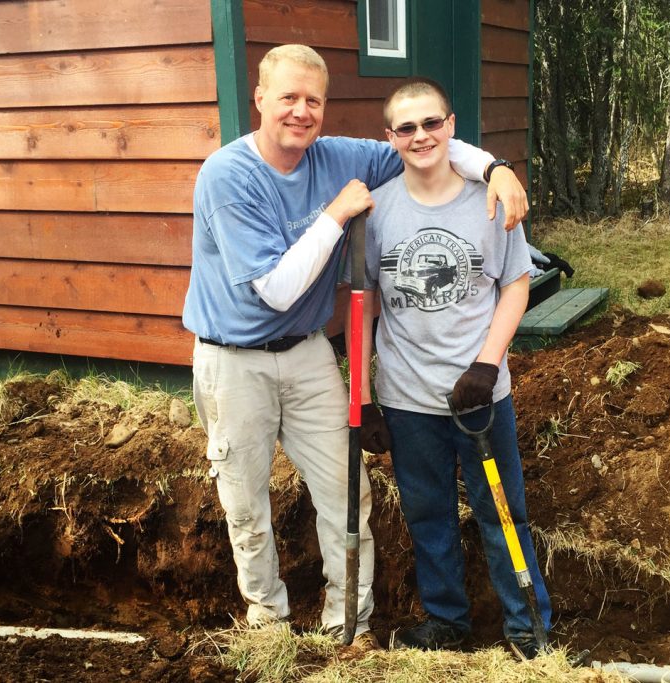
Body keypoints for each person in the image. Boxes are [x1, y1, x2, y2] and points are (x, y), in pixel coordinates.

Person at [181, 44, 528, 646]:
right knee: (246, 503)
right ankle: (269, 626)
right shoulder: (228, 175)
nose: (300, 111)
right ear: (260, 99)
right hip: (234, 360)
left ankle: (350, 626)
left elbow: (422, 143)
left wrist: (495, 166)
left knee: (347, 493)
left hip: (311, 351)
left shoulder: (337, 155)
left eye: (313, 100)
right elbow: (279, 290)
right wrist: (337, 215)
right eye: (287, 97)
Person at [357, 77, 552, 657]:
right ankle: (446, 620)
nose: (422, 136)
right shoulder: (378, 209)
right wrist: (364, 395)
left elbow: (516, 286)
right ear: (390, 137)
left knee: (503, 512)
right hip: (407, 401)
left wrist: (486, 368)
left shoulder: (488, 201)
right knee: (427, 514)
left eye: (431, 123)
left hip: (480, 399)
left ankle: (527, 627)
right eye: (407, 127)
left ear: (451, 125)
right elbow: (363, 307)